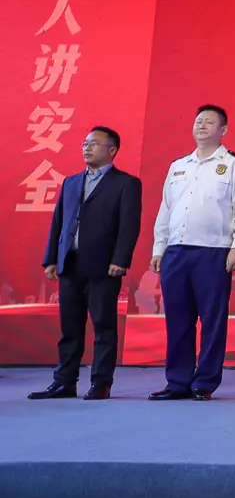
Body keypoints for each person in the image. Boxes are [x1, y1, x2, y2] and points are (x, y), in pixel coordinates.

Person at [28, 126, 142, 401]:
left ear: (112, 150)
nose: (87, 148)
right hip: (70, 263)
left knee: (103, 326)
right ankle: (64, 382)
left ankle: (101, 383)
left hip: (104, 266)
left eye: (94, 143)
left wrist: (120, 259)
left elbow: (129, 226)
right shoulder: (71, 182)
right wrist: (51, 258)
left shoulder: (126, 183)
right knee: (69, 328)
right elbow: (58, 221)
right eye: (85, 143)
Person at [149, 104, 235, 401]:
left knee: (212, 320)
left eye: (209, 122)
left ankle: (204, 382)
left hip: (214, 252)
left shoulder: (233, 165)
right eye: (198, 121)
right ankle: (177, 381)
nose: (202, 126)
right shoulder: (179, 165)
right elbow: (166, 209)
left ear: (223, 130)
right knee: (177, 320)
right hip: (176, 251)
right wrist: (159, 247)